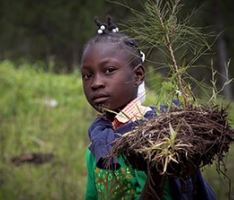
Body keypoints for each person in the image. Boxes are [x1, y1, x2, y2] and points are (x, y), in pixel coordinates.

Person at [81, 17, 216, 200]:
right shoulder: (97, 144)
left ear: (138, 75)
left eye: (109, 70)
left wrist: (156, 170)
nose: (96, 83)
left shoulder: (156, 134)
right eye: (87, 75)